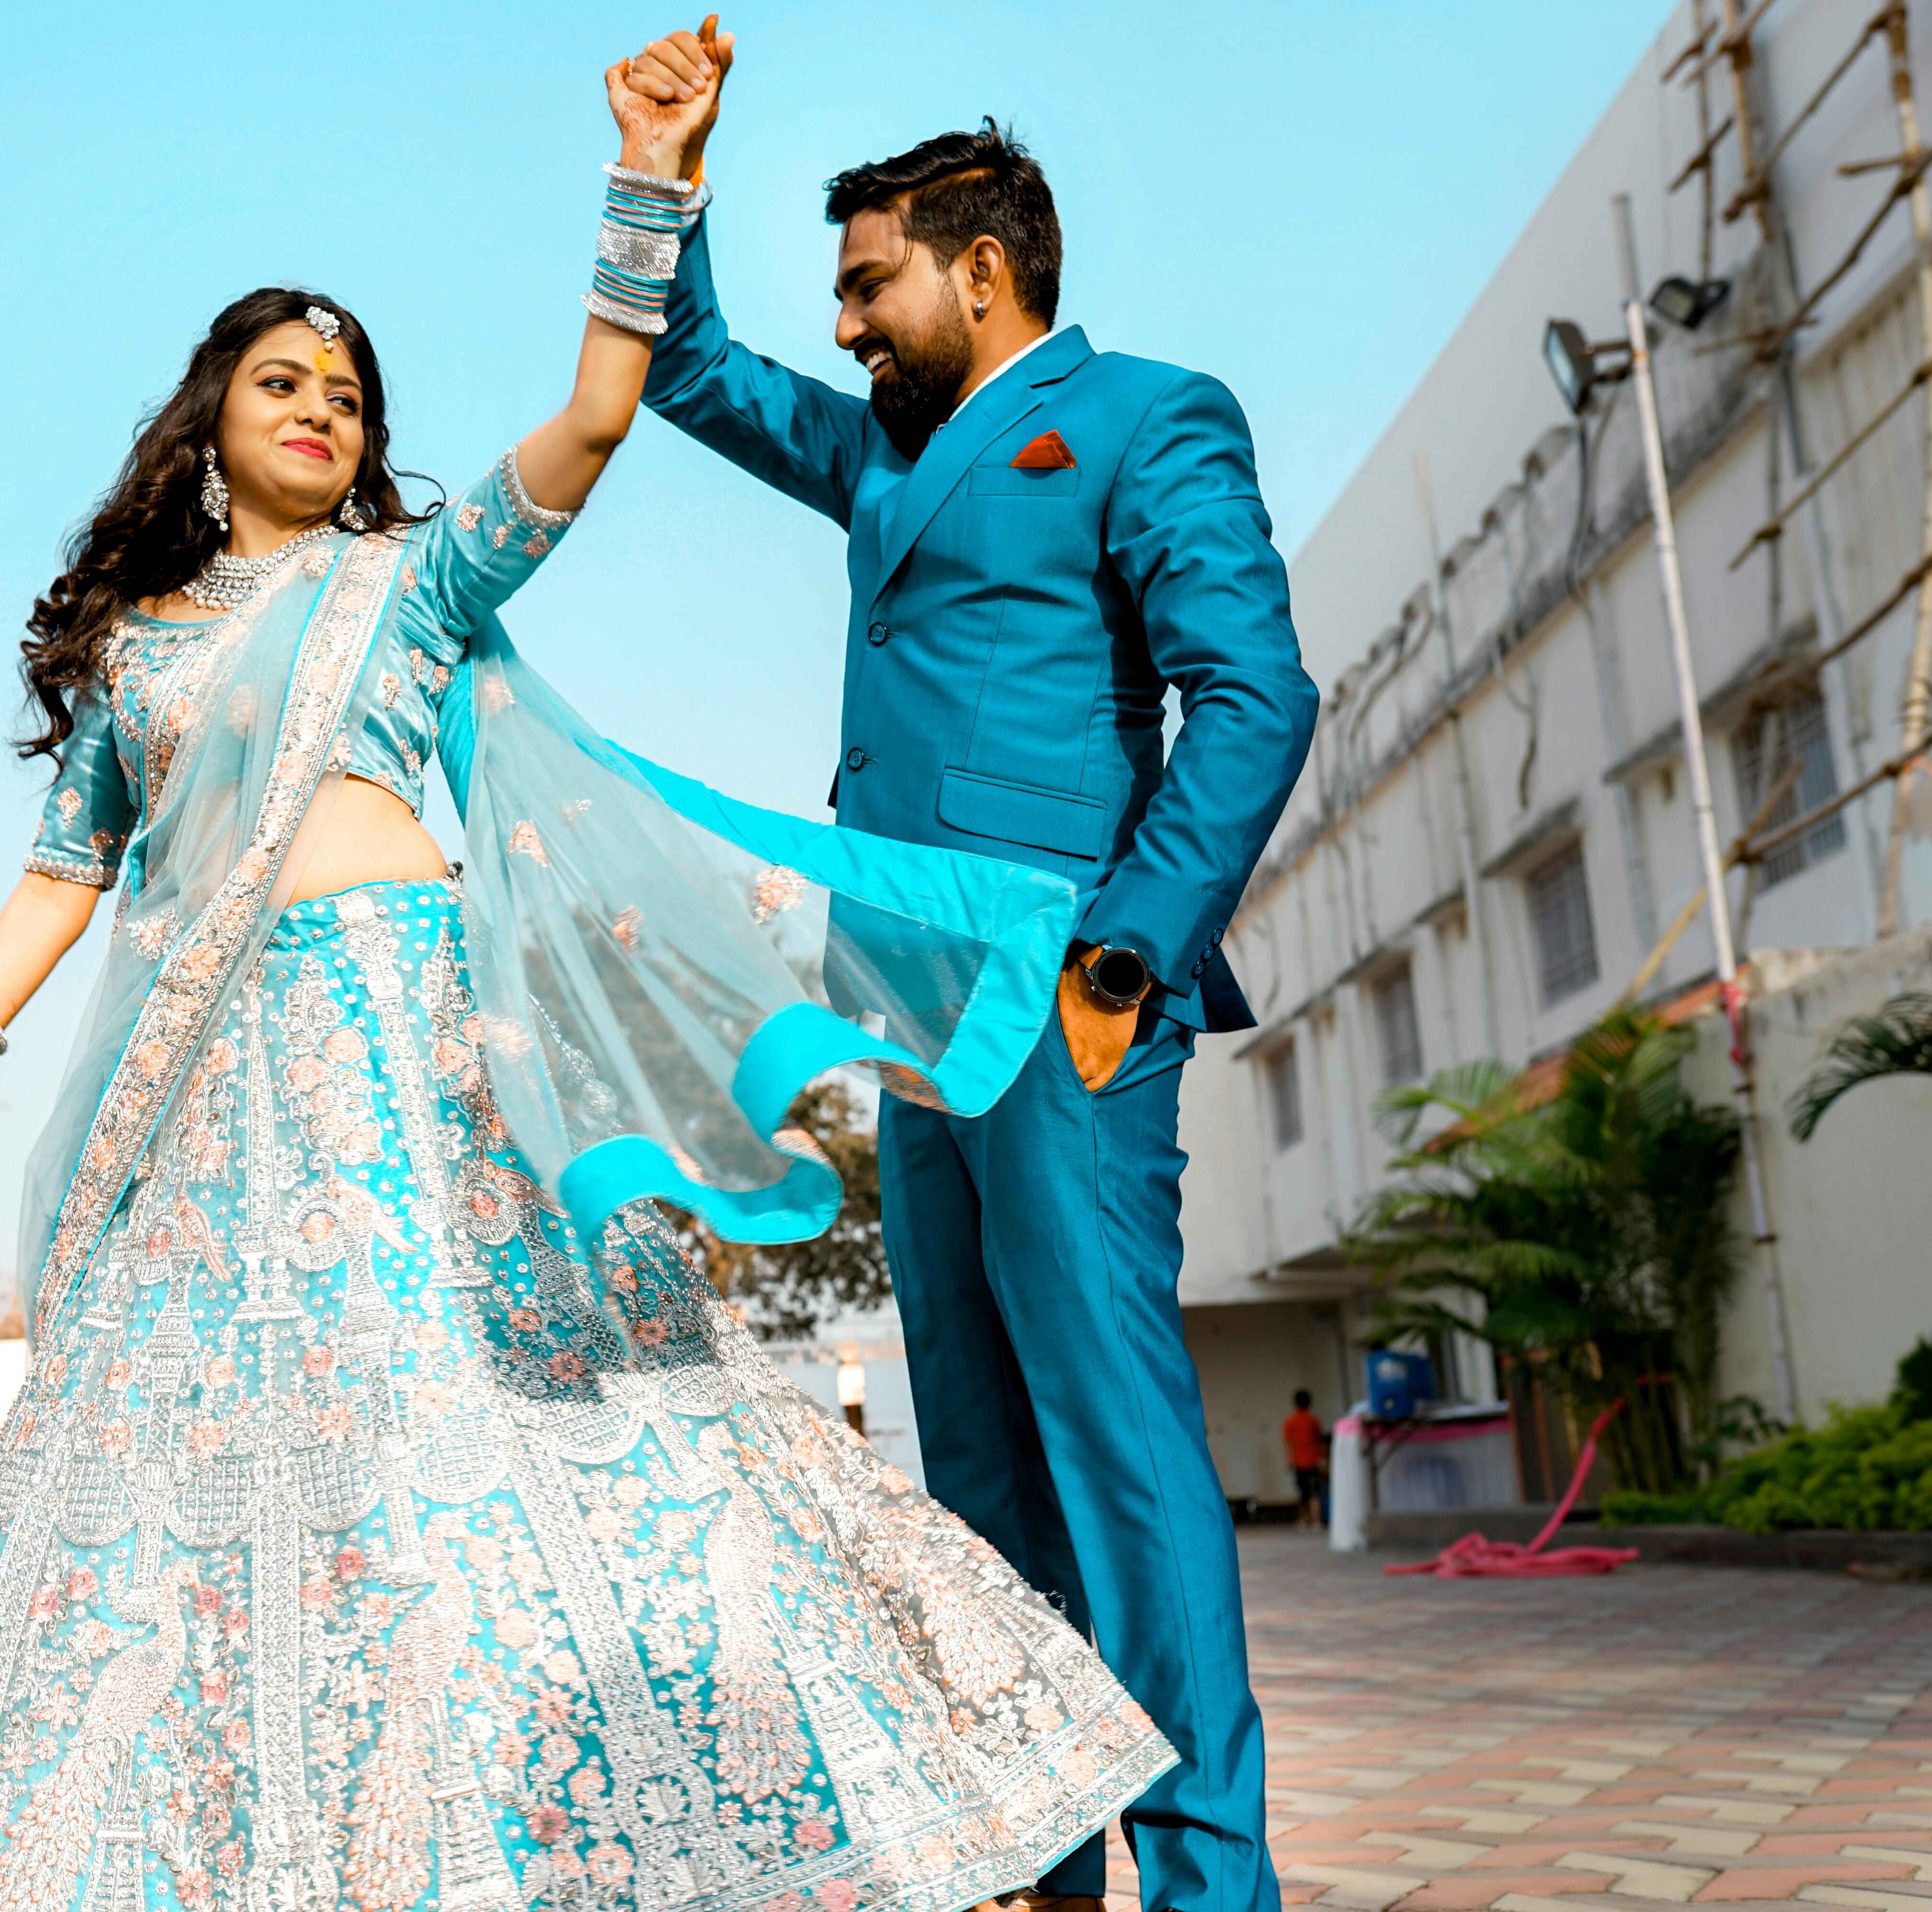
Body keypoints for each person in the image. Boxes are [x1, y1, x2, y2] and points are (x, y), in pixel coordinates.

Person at [0, 29, 1176, 1912]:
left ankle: (860, 1802)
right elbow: (69, 874)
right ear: (207, 420)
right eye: (284, 380)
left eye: (353, 391)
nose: (325, 408)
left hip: (415, 1054)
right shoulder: (135, 652)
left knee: (582, 1442)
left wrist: (652, 176)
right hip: (215, 1110)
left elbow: (602, 421)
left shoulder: (418, 581)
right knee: (225, 1504)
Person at [623, 27, 1320, 1912]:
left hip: (1065, 990)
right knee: (980, 1459)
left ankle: (1207, 1880)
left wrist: (1119, 954)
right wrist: (664, 171)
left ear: (982, 264)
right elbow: (683, 367)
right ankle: (1036, 1854)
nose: (843, 323)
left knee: (1113, 1437)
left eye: (867, 281)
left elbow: (1254, 695)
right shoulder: (885, 456)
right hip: (912, 1010)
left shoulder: (1143, 416)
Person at [1283, 1391, 1330, 1531]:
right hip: (1313, 1461)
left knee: (1303, 1492)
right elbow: (1320, 1442)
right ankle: (1317, 1521)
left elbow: (1289, 1444)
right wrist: (1323, 1459)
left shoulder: (1290, 1422)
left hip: (1299, 1462)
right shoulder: (1313, 1421)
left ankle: (1304, 1520)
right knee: (1315, 1492)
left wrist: (1289, 1461)